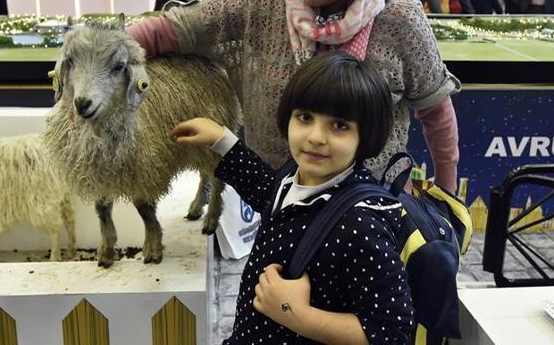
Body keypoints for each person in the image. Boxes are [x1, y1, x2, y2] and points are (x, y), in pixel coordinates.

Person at [127, 0, 461, 193]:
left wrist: (447, 202)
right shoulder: (257, 2)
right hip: (278, 201)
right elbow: (173, 29)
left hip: (372, 211)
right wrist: (97, 56)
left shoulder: (401, 22)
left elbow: (437, 114)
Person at [171, 51, 414, 344]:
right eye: (305, 117)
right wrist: (222, 140)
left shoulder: (361, 225)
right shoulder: (295, 175)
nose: (315, 137)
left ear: (367, 136)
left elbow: (392, 334)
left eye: (339, 125)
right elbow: (269, 195)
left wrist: (295, 314)